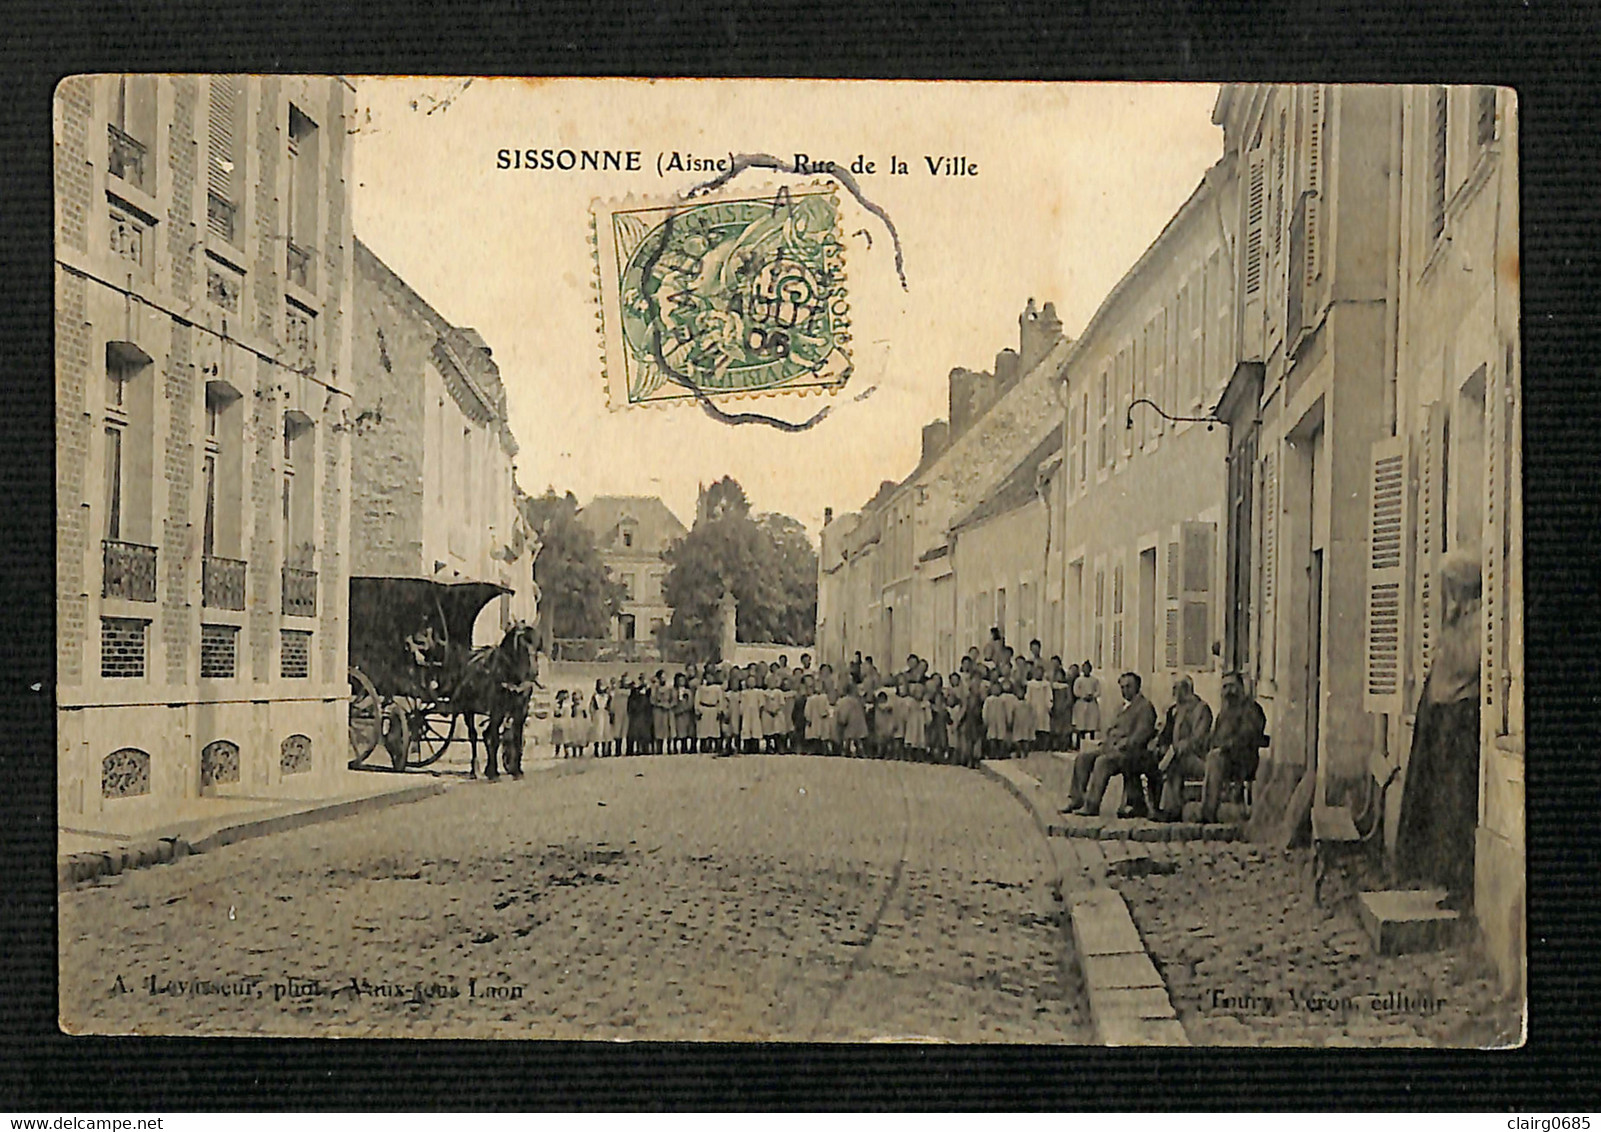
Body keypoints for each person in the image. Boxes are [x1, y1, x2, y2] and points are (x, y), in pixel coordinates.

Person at [1394, 553, 1482, 906]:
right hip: (1440, 717)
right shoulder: (1458, 618)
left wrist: (1449, 636)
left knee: (1456, 803)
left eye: (1451, 585)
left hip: (1460, 719)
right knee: (1436, 801)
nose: (1447, 593)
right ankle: (1441, 878)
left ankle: (1460, 885)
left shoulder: (1479, 620)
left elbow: (1465, 664)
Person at [1066, 671, 1158, 817]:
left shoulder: (1145, 707)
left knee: (1102, 762)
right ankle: (1076, 799)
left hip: (1130, 753)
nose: (1125, 690)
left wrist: (1122, 744)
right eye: (1122, 687)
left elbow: (1141, 735)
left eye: (1128, 687)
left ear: (1137, 687)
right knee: (1082, 759)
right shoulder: (1121, 707)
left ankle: (1092, 804)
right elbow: (1110, 729)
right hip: (1112, 747)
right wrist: (1106, 743)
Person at [1201, 670, 1269, 824]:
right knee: (1212, 757)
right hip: (1226, 758)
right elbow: (1215, 735)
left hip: (1244, 759)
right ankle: (1206, 810)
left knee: (1214, 759)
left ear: (1241, 687)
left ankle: (1208, 813)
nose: (1228, 691)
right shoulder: (1224, 713)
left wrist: (1224, 748)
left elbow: (1247, 736)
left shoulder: (1251, 709)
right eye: (1225, 687)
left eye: (1232, 686)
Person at [1153, 676, 1215, 820]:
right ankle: (1160, 806)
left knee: (1174, 764)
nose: (1174, 693)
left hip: (1199, 758)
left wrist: (1182, 746)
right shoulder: (1175, 710)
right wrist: (1161, 745)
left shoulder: (1201, 709)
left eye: (1177, 688)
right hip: (1177, 755)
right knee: (1159, 760)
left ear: (1187, 690)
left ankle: (1171, 810)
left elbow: (1199, 738)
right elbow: (1166, 734)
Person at [1026, 663, 1053, 753]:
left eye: (1040, 672)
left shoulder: (1046, 684)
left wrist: (1049, 706)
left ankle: (1044, 747)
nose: (1039, 674)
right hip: (1034, 707)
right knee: (1034, 727)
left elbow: (1049, 696)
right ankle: (1034, 747)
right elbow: (1028, 697)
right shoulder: (1030, 684)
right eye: (1037, 672)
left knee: (1044, 728)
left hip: (1043, 708)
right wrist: (1028, 706)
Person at [1073, 660, 1101, 743]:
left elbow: (1098, 690)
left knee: (1091, 723)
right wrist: (1083, 696)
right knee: (1081, 724)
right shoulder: (1079, 680)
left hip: (1091, 703)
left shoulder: (1095, 680)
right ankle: (1079, 743)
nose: (1086, 670)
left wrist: (1092, 696)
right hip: (1081, 703)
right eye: (1084, 668)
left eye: (1088, 668)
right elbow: (1076, 690)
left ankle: (1091, 742)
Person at [695, 672, 724, 753]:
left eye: (711, 677)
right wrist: (697, 709)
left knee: (714, 729)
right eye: (707, 677)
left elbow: (720, 700)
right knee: (704, 729)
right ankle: (704, 746)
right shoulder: (701, 688)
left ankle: (716, 746)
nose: (709, 679)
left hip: (714, 708)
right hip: (704, 708)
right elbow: (697, 699)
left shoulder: (717, 688)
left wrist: (720, 710)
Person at [903, 683, 930, 760]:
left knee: (921, 739)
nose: (919, 694)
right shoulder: (910, 702)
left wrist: (927, 721)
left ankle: (920, 755)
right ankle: (910, 754)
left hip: (921, 724)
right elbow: (905, 713)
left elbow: (928, 716)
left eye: (921, 692)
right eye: (917, 692)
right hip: (912, 724)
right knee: (911, 738)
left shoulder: (924, 704)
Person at [590, 679, 612, 758]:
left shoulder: (608, 696)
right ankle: (596, 750)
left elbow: (610, 706)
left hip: (605, 714)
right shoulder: (595, 696)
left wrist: (610, 713)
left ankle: (606, 750)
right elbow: (592, 706)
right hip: (598, 715)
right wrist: (592, 715)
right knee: (598, 733)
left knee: (606, 732)